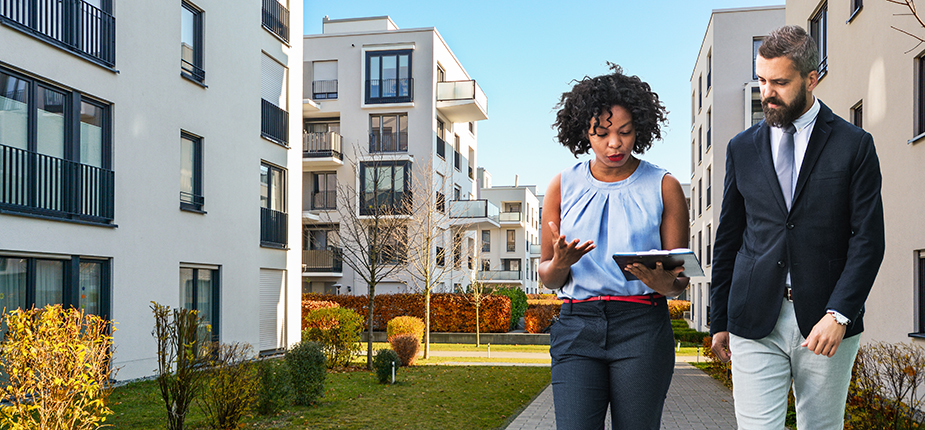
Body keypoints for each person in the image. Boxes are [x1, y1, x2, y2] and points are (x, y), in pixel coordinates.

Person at [710, 25, 885, 429]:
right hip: (754, 317)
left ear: (811, 79)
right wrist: (719, 319)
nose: (766, 92)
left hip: (826, 321)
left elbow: (869, 240)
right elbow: (729, 239)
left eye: (780, 82)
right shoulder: (741, 147)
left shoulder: (854, 145)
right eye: (761, 80)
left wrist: (839, 313)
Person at [538, 63, 690, 430]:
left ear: (640, 127)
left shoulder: (664, 186)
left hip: (642, 327)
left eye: (625, 131)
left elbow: (680, 279)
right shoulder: (561, 185)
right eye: (601, 133)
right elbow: (548, 278)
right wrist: (560, 262)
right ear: (583, 133)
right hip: (577, 327)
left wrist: (664, 284)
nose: (614, 143)